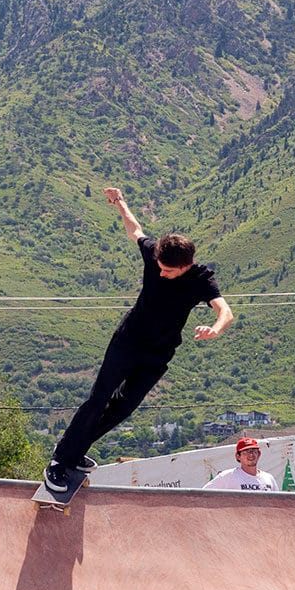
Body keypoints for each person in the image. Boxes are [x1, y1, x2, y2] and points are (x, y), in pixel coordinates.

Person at [44, 186, 233, 501]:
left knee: (124, 408)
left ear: (186, 266)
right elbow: (135, 230)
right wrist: (120, 202)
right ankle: (60, 462)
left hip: (157, 355)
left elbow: (225, 311)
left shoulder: (201, 279)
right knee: (98, 398)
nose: (160, 272)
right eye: (159, 266)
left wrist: (215, 329)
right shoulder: (155, 253)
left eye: (168, 271)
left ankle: (75, 447)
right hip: (127, 342)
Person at [203, 438, 278, 491]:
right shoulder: (227, 476)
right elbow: (203, 494)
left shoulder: (269, 478)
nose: (251, 455)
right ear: (238, 456)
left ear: (259, 454)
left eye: (254, 451)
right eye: (246, 452)